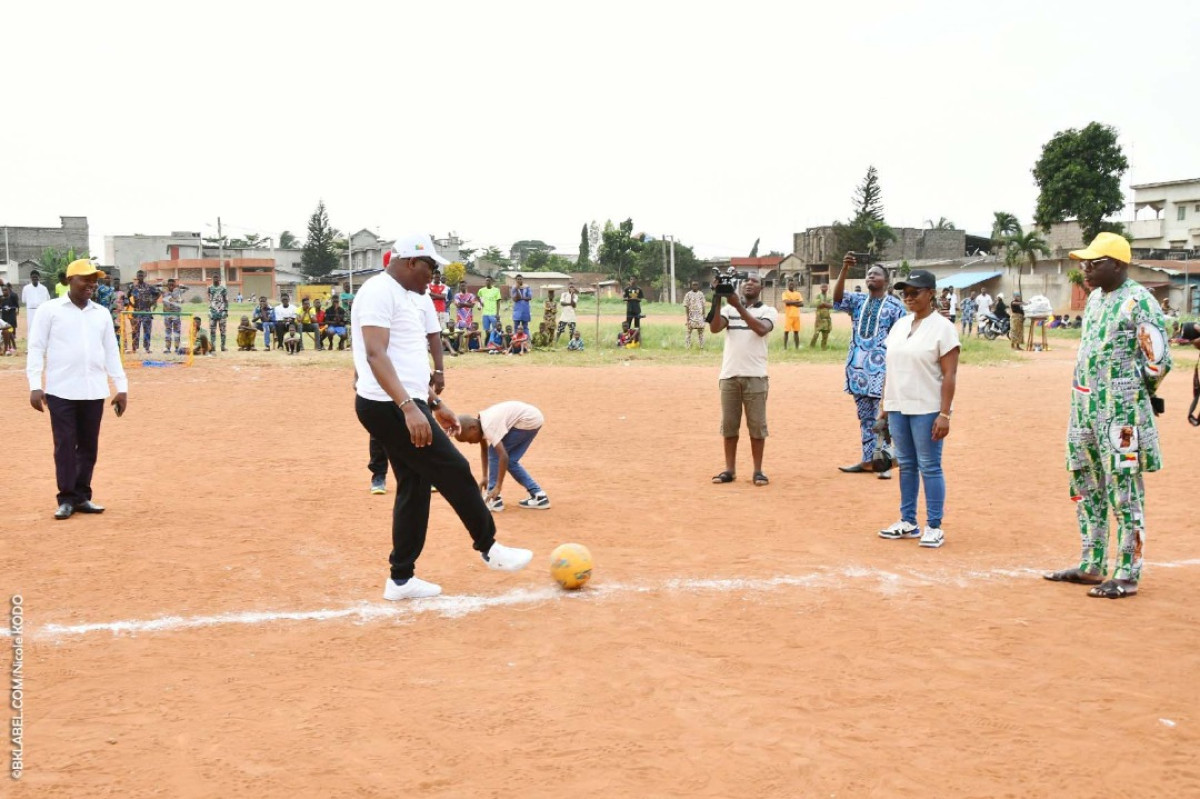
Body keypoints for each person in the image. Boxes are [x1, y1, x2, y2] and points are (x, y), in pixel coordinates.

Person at [352, 233, 532, 600]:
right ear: (410, 262)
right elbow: (375, 355)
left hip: (404, 401)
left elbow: (404, 361)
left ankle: (401, 579)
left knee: (415, 487)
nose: (433, 277)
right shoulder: (377, 291)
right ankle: (489, 547)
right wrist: (408, 408)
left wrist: (433, 403)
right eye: (431, 267)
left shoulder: (403, 295)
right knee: (454, 470)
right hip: (388, 406)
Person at [1044, 233, 1172, 600]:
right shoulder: (1097, 299)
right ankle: (1092, 563)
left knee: (1124, 489)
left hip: (1121, 414)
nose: (1085, 268)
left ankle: (1128, 572)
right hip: (1084, 409)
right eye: (1084, 261)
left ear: (1117, 264)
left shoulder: (1140, 302)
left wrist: (1133, 395)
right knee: (1085, 485)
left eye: (1094, 262)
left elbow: (1158, 361)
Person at [27, 259, 128, 520]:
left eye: (94, 279)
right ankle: (66, 499)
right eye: (85, 278)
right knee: (64, 445)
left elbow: (111, 352)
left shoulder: (101, 313)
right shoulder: (50, 310)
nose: (91, 284)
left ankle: (83, 496)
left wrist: (122, 387)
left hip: (94, 390)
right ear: (69, 280)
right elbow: (36, 348)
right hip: (60, 390)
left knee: (88, 447)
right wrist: (35, 386)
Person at [875, 270, 961, 549]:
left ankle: (934, 525)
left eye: (915, 292)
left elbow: (949, 375)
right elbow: (890, 367)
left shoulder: (943, 328)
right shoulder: (900, 325)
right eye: (905, 293)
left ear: (931, 293)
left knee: (930, 466)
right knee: (907, 465)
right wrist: (884, 407)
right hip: (898, 405)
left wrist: (945, 414)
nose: (909, 298)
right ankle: (908, 521)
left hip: (927, 408)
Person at [833, 254, 906, 479]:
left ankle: (885, 462)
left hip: (883, 370)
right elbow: (836, 299)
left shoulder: (895, 306)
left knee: (885, 419)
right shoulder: (857, 301)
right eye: (868, 274)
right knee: (865, 418)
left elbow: (902, 337)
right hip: (857, 369)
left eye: (876, 273)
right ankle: (868, 461)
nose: (870, 276)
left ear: (886, 281)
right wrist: (844, 269)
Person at [709, 273, 777, 486]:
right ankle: (730, 469)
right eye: (746, 280)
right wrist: (717, 297)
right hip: (729, 375)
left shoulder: (768, 311)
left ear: (761, 287)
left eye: (754, 281)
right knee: (729, 426)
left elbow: (761, 329)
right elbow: (714, 327)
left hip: (755, 376)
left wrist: (739, 307)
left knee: (757, 426)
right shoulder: (728, 310)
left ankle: (758, 470)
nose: (749, 283)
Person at [454, 401, 550, 512]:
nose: (470, 443)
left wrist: (497, 486)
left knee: (496, 453)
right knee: (511, 461)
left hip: (527, 420)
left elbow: (502, 456)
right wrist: (485, 477)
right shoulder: (480, 424)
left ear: (473, 428)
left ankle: (495, 500)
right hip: (533, 418)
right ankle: (539, 495)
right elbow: (484, 449)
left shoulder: (488, 426)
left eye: (469, 439)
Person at [127, 270, 160, 354]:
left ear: (144, 276)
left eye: (141, 275)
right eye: (139, 275)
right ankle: (134, 348)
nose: (140, 277)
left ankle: (147, 348)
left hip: (146, 312)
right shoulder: (133, 287)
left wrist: (152, 302)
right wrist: (132, 305)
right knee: (135, 331)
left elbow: (158, 293)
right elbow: (128, 296)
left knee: (147, 331)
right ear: (137, 276)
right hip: (137, 312)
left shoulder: (149, 287)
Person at [21, 271, 51, 337]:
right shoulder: (26, 288)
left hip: (41, 310)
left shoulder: (44, 288)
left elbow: (48, 299)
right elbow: (23, 300)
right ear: (30, 278)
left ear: (39, 278)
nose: (34, 278)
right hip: (30, 311)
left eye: (36, 277)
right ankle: (31, 344)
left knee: (41, 326)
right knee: (31, 327)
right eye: (33, 277)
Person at [161, 277, 186, 354]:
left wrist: (177, 286)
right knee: (168, 331)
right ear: (167, 285)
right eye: (169, 284)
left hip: (176, 314)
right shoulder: (164, 291)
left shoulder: (178, 291)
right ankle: (167, 348)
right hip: (167, 314)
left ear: (174, 285)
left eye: (172, 284)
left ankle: (177, 348)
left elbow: (186, 288)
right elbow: (156, 286)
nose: (171, 285)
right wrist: (165, 284)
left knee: (177, 332)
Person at [780, 278, 804, 350]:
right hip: (789, 316)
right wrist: (796, 302)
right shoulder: (785, 293)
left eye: (792, 284)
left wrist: (791, 302)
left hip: (796, 316)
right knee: (786, 332)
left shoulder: (798, 293)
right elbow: (786, 302)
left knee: (796, 332)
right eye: (790, 284)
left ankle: (797, 347)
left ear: (794, 285)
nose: (791, 285)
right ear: (787, 285)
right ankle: (785, 348)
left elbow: (802, 304)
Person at [682, 280, 707, 349]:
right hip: (691, 317)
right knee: (688, 332)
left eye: (696, 285)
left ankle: (702, 347)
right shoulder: (688, 294)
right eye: (693, 285)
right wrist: (687, 317)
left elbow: (703, 306)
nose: (695, 286)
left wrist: (704, 315)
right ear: (691, 285)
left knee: (701, 333)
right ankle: (688, 346)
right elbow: (686, 306)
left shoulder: (701, 294)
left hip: (699, 317)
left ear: (698, 286)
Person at [208, 274, 229, 352]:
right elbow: (209, 300)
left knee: (223, 330)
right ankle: (213, 347)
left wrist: (226, 310)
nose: (215, 279)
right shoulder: (210, 288)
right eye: (214, 278)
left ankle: (223, 347)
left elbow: (226, 300)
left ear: (219, 279)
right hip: (212, 312)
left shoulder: (223, 289)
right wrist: (209, 310)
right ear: (212, 279)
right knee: (212, 330)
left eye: (217, 278)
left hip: (222, 311)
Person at [810, 282, 833, 350]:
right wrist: (826, 304)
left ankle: (823, 347)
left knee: (825, 334)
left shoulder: (829, 296)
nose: (824, 288)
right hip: (819, 318)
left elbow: (831, 306)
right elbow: (817, 305)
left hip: (827, 318)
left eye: (825, 287)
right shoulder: (817, 295)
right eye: (822, 287)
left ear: (827, 288)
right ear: (820, 288)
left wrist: (823, 304)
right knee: (816, 333)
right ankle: (811, 347)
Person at [1, 283, 19, 355]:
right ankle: (9, 346)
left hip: (11, 316)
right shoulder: (1, 299)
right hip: (4, 316)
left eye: (6, 290)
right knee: (6, 330)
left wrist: (12, 309)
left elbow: (16, 306)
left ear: (9, 290)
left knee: (10, 330)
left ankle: (13, 345)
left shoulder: (12, 297)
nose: (4, 291)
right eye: (3, 290)